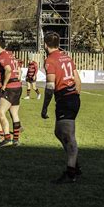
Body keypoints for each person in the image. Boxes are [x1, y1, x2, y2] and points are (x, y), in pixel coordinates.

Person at [40, 32, 82, 184]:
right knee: (59, 132)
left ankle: (72, 172)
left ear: (45, 44)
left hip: (66, 99)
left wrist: (44, 107)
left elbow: (50, 87)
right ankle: (74, 163)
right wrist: (76, 95)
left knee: (69, 137)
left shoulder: (50, 60)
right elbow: (77, 79)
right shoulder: (67, 57)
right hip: (71, 98)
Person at [0, 37, 23, 147]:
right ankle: (16, 140)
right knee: (14, 114)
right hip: (18, 85)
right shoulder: (11, 54)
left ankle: (7, 138)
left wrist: (4, 85)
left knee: (0, 112)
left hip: (10, 87)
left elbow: (8, 70)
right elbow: (19, 69)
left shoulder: (2, 55)